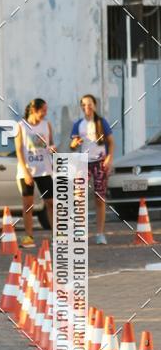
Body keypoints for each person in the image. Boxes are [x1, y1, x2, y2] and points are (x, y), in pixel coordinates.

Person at [70, 94, 114, 244]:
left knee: (99, 198)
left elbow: (111, 142)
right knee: (79, 196)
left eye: (89, 104)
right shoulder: (78, 124)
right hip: (83, 162)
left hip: (100, 162)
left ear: (94, 105)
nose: (86, 107)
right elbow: (73, 145)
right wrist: (75, 143)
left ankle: (100, 233)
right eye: (83, 105)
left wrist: (109, 157)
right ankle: (80, 232)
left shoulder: (101, 122)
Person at [15, 98, 56, 249]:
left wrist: (52, 148)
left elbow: (50, 143)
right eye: (43, 110)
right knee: (28, 204)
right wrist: (25, 171)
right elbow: (19, 150)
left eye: (46, 110)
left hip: (44, 169)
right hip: (27, 169)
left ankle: (56, 236)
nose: (45, 114)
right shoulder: (21, 126)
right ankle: (28, 236)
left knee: (51, 202)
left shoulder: (47, 125)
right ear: (34, 110)